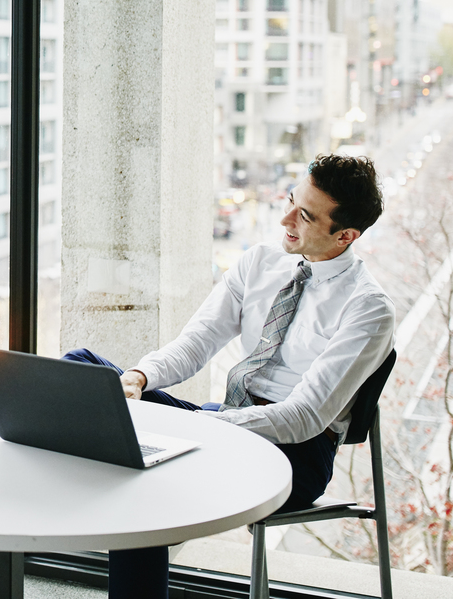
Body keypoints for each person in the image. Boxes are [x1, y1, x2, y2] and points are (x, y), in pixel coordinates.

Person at [63, 153, 395, 599]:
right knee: (81, 367)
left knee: (147, 478)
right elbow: (197, 343)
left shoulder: (368, 308)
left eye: (305, 216)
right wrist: (141, 376)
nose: (285, 218)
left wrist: (201, 426)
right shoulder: (259, 262)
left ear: (345, 236)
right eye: (292, 200)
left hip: (296, 455)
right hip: (225, 421)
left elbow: (302, 418)